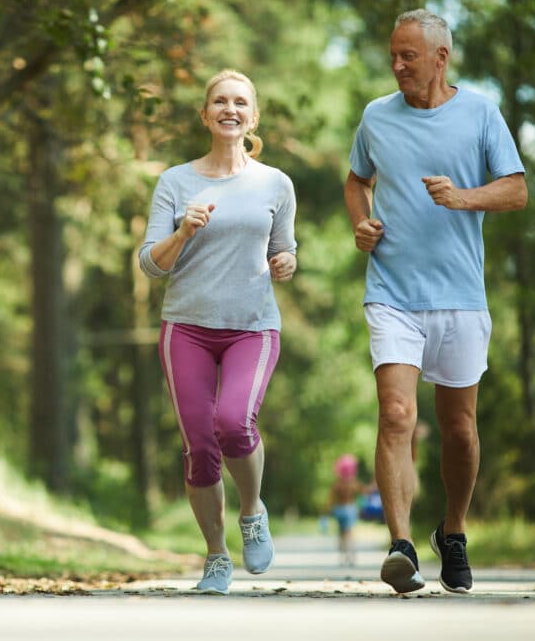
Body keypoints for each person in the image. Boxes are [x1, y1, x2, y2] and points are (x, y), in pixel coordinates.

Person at [344, 9, 527, 594]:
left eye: (408, 56)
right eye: (393, 55)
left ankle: (453, 530)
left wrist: (464, 196)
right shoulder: (376, 116)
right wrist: (362, 224)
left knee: (460, 429)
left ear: (441, 58)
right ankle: (400, 546)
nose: (396, 65)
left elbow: (517, 190)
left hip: (460, 296)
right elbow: (356, 181)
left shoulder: (480, 113)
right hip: (392, 291)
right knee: (396, 414)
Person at [139, 69, 297, 595]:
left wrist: (286, 263)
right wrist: (183, 230)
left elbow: (283, 247)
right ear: (205, 114)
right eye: (220, 101)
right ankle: (215, 556)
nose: (230, 109)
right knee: (200, 446)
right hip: (185, 327)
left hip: (252, 328)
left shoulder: (275, 183)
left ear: (252, 117)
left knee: (234, 422)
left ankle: (252, 511)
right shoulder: (175, 182)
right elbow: (149, 264)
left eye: (240, 103)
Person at [323, 454, 372, 566]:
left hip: (339, 510)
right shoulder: (353, 483)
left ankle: (343, 555)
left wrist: (325, 513)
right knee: (349, 533)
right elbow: (365, 491)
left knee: (341, 533)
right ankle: (351, 554)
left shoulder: (337, 484)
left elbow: (330, 500)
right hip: (350, 509)